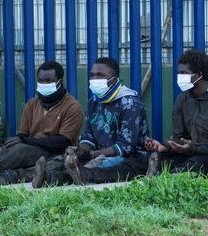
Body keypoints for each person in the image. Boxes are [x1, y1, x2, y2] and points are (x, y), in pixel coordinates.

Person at [32, 57, 149, 187]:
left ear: (114, 80)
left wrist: (92, 155)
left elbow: (125, 147)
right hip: (101, 153)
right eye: (92, 75)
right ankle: (41, 175)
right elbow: (89, 137)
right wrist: (81, 151)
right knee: (66, 160)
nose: (94, 79)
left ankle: (51, 178)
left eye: (100, 76)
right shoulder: (94, 102)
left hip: (130, 157)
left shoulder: (130, 103)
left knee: (98, 166)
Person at [0, 60, 83, 184]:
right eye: (41, 80)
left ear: (60, 82)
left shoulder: (73, 107)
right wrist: (14, 142)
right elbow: (23, 135)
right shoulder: (32, 104)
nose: (43, 83)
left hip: (57, 152)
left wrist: (25, 141)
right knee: (11, 148)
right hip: (32, 149)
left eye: (48, 81)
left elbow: (63, 142)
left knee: (21, 150)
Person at [144, 49, 208, 177]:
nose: (180, 77)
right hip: (190, 153)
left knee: (195, 164)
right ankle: (168, 174)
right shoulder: (183, 99)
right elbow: (179, 137)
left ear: (198, 75)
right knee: (156, 158)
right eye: (179, 73)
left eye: (184, 73)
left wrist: (193, 147)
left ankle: (172, 177)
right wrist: (165, 147)